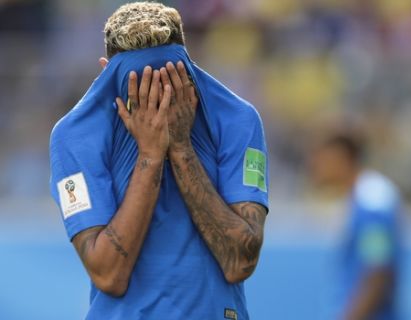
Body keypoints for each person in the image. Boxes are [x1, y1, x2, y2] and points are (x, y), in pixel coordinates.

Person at [49, 2, 268, 319]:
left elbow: (240, 261)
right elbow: (108, 274)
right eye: (143, 86)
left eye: (169, 81)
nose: (159, 100)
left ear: (189, 71)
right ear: (107, 74)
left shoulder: (238, 120)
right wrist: (150, 155)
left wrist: (180, 147)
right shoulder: (74, 137)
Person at [309, 132, 402, 320]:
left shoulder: (372, 200)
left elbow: (378, 269)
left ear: (341, 158)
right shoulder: (359, 198)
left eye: (322, 159)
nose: (315, 165)